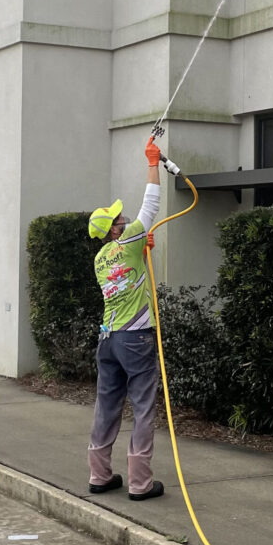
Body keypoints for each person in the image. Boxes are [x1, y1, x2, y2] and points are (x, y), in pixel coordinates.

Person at [85, 136, 165, 501]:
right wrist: (152, 162)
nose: (125, 217)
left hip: (107, 340)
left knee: (107, 405)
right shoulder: (129, 239)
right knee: (144, 405)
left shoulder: (101, 258)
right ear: (115, 229)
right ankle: (140, 483)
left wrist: (141, 245)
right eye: (119, 218)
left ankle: (99, 475)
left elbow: (126, 265)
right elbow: (151, 203)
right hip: (136, 338)